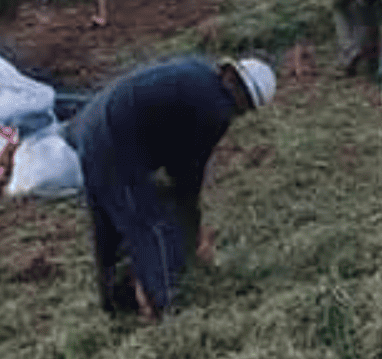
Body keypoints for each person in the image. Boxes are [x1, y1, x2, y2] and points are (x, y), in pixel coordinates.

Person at [73, 54, 277, 319]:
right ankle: (166, 310)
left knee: (109, 226)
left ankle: (117, 305)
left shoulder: (196, 73)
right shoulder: (215, 107)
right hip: (116, 138)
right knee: (152, 224)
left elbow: (174, 155)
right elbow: (187, 175)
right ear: (246, 103)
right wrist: (192, 232)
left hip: (92, 125)